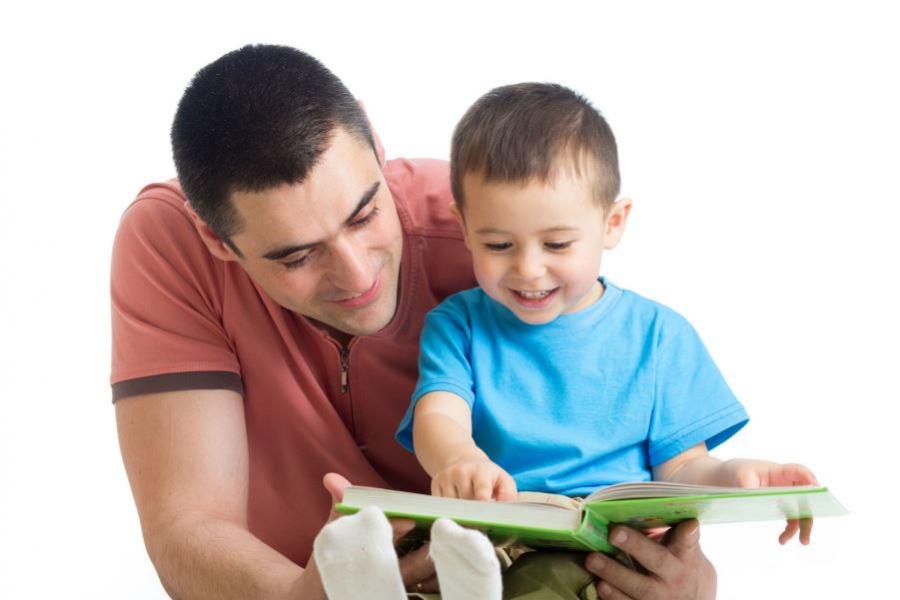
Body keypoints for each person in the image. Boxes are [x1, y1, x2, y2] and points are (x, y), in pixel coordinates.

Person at [111, 44, 718, 599]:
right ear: (217, 241)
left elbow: (613, 452)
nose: (356, 276)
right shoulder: (170, 244)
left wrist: (688, 579)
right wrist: (302, 597)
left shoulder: (497, 242)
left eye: (364, 214)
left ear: (375, 141)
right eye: (297, 256)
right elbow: (187, 527)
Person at [388, 83, 818, 596]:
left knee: (545, 582)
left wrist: (738, 477)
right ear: (463, 228)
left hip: (599, 548)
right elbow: (440, 414)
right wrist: (460, 460)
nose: (528, 269)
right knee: (411, 553)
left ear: (611, 223)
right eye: (498, 244)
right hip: (488, 529)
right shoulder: (457, 324)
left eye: (557, 243)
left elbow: (683, 469)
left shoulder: (659, 337)